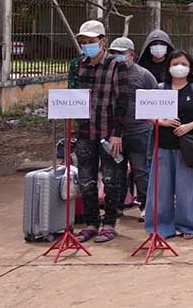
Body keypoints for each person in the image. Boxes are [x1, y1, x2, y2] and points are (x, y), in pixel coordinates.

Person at [72, 20, 129, 244]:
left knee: (111, 178)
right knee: (86, 180)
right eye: (83, 42)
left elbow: (123, 100)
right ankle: (91, 223)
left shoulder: (116, 65)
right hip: (85, 131)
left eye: (91, 41)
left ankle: (110, 223)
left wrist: (117, 133)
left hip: (109, 131)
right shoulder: (80, 64)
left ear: (103, 41)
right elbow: (75, 96)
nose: (87, 45)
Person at [145, 50, 193, 239]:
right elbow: (147, 113)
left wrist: (188, 127)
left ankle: (188, 226)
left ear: (190, 67)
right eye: (175, 63)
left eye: (183, 63)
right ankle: (160, 227)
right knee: (160, 189)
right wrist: (161, 122)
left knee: (187, 189)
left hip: (189, 147)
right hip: (163, 145)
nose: (179, 67)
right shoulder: (160, 89)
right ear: (168, 66)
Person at [107, 37, 157, 222]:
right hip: (115, 133)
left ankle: (145, 206)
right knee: (116, 171)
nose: (116, 57)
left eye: (120, 53)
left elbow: (156, 98)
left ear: (131, 54)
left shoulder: (144, 75)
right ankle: (117, 205)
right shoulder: (108, 74)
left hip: (139, 131)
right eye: (113, 53)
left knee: (141, 170)